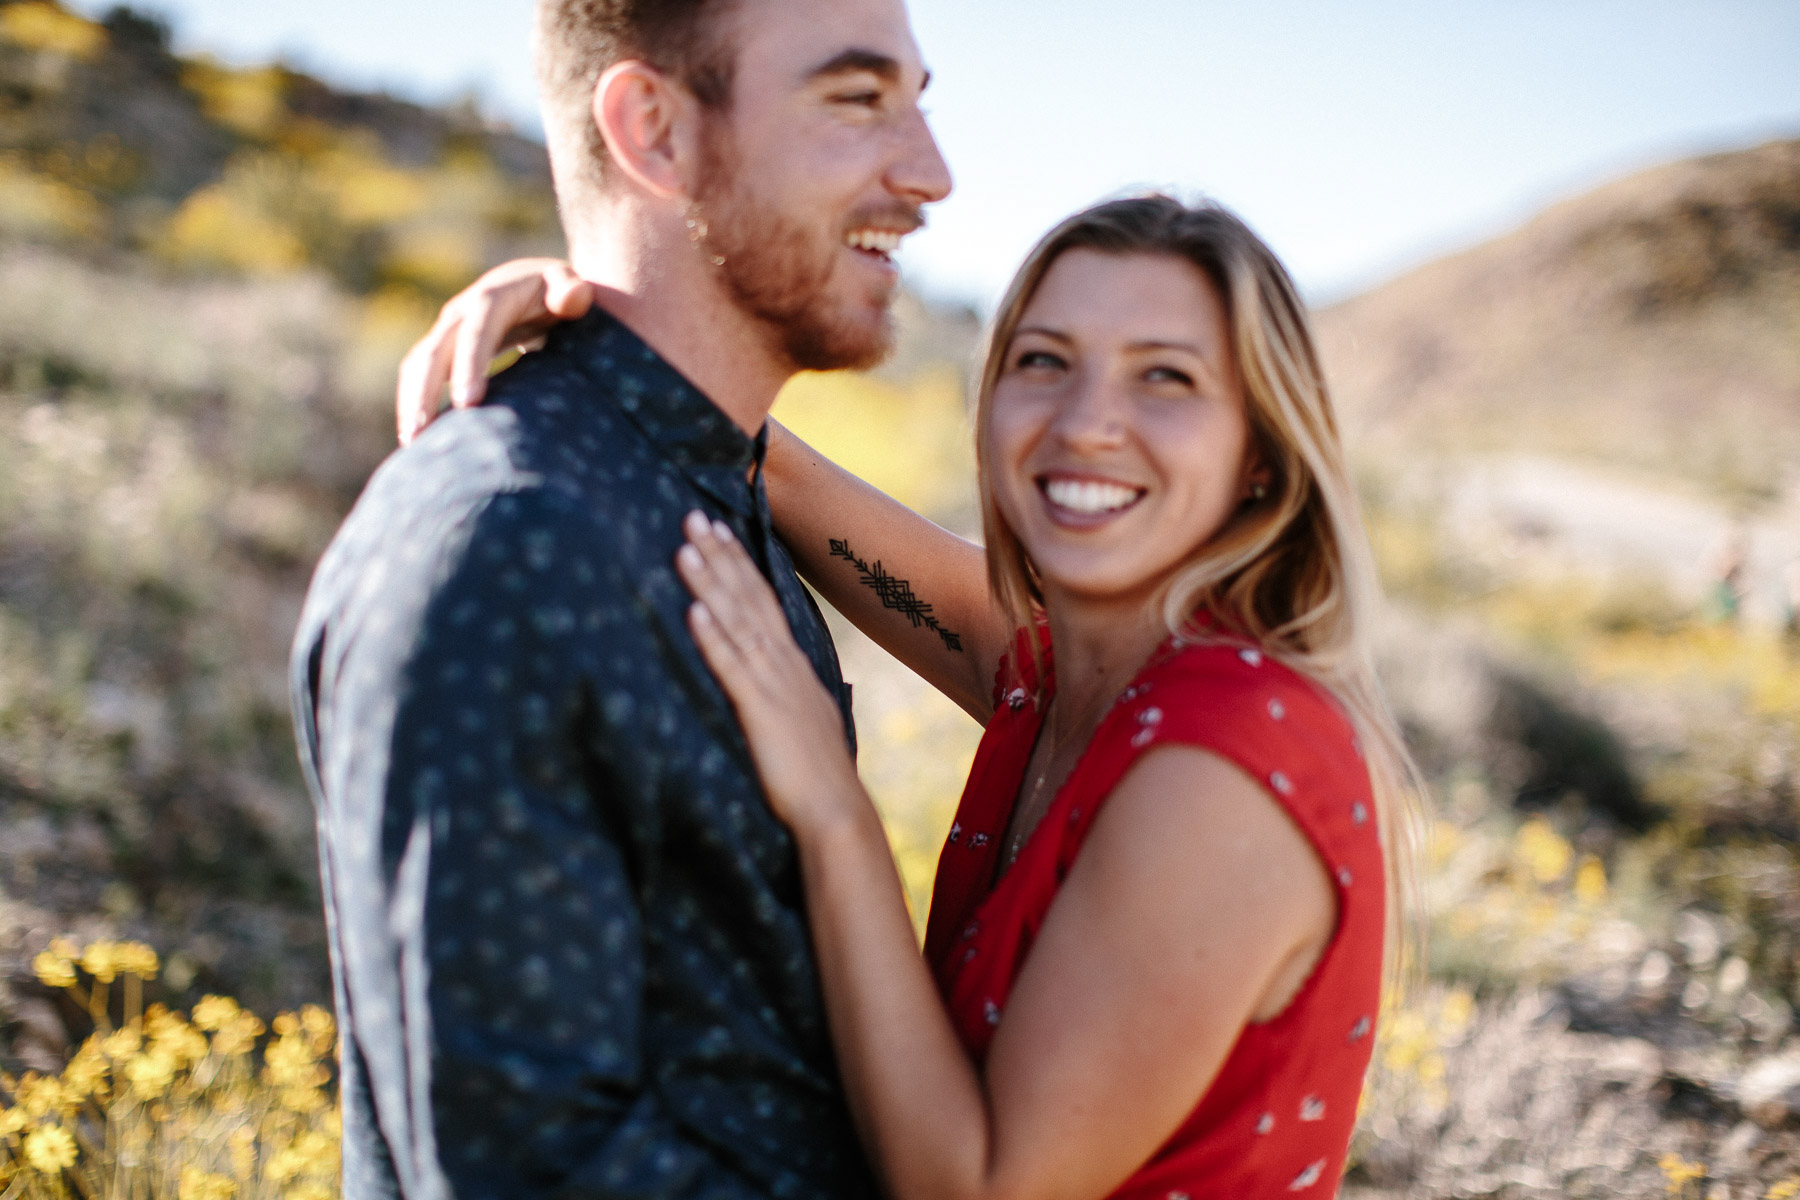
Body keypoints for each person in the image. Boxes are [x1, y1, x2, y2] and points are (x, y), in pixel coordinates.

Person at [401, 197, 1424, 1197]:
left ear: (1259, 456)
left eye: (1166, 378)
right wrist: (600, 329)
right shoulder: (1077, 673)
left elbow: (975, 1184)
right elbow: (785, 480)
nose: (1088, 424)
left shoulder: (1222, 769)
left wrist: (834, 814)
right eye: (1044, 362)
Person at [289, 0, 950, 1196]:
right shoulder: (508, 543)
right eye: (858, 100)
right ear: (653, 130)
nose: (931, 173)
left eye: (918, 101)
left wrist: (636, 353)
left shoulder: (709, 493)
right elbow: (526, 1166)